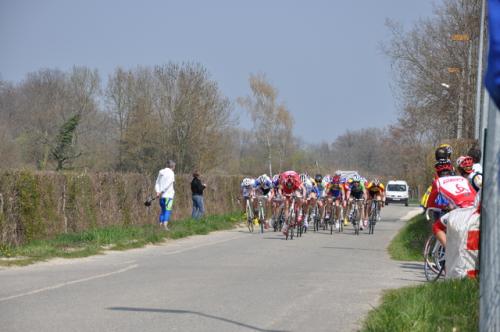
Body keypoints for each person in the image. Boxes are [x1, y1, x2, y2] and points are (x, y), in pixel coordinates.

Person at [155, 160, 176, 230]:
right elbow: (168, 184)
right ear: (172, 166)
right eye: (174, 167)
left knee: (163, 210)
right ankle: (165, 226)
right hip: (168, 196)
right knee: (167, 210)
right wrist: (162, 191)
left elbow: (157, 183)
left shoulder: (161, 172)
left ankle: (160, 225)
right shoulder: (171, 173)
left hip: (161, 197)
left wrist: (158, 191)